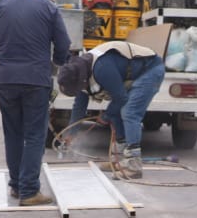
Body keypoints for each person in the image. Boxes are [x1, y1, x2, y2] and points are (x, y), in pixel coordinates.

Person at [0, 0, 71, 206]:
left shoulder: (1, 5)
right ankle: (30, 190)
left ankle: (16, 185)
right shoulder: (48, 7)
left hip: (7, 81)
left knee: (13, 133)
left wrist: (0, 62)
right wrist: (57, 64)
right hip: (36, 80)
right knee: (34, 135)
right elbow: (63, 45)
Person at [56, 40, 165, 179]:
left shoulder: (101, 68)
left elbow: (121, 98)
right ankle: (119, 161)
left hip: (150, 69)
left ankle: (133, 166)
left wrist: (106, 116)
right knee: (115, 113)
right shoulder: (80, 71)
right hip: (133, 73)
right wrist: (71, 132)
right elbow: (79, 106)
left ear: (80, 80)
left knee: (129, 112)